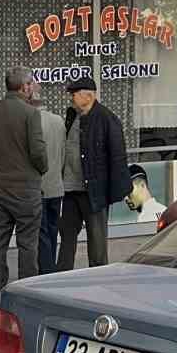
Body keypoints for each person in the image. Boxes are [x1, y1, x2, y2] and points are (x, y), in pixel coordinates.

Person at [0, 67, 48, 306]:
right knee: (28, 244)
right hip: (26, 187)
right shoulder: (31, 113)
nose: (33, 88)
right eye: (32, 84)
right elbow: (38, 151)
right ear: (24, 87)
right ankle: (26, 296)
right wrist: (40, 169)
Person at [58, 77, 130, 272]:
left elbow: (118, 158)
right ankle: (62, 275)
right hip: (71, 188)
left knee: (97, 241)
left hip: (94, 191)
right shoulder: (72, 115)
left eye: (74, 94)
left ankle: (97, 277)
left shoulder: (107, 119)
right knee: (66, 236)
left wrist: (113, 192)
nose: (71, 98)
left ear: (88, 96)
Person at [27, 76, 66, 276]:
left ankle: (46, 269)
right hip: (56, 185)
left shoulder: (28, 122)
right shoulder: (58, 121)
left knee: (40, 232)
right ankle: (50, 264)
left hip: (37, 186)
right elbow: (63, 153)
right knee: (52, 229)